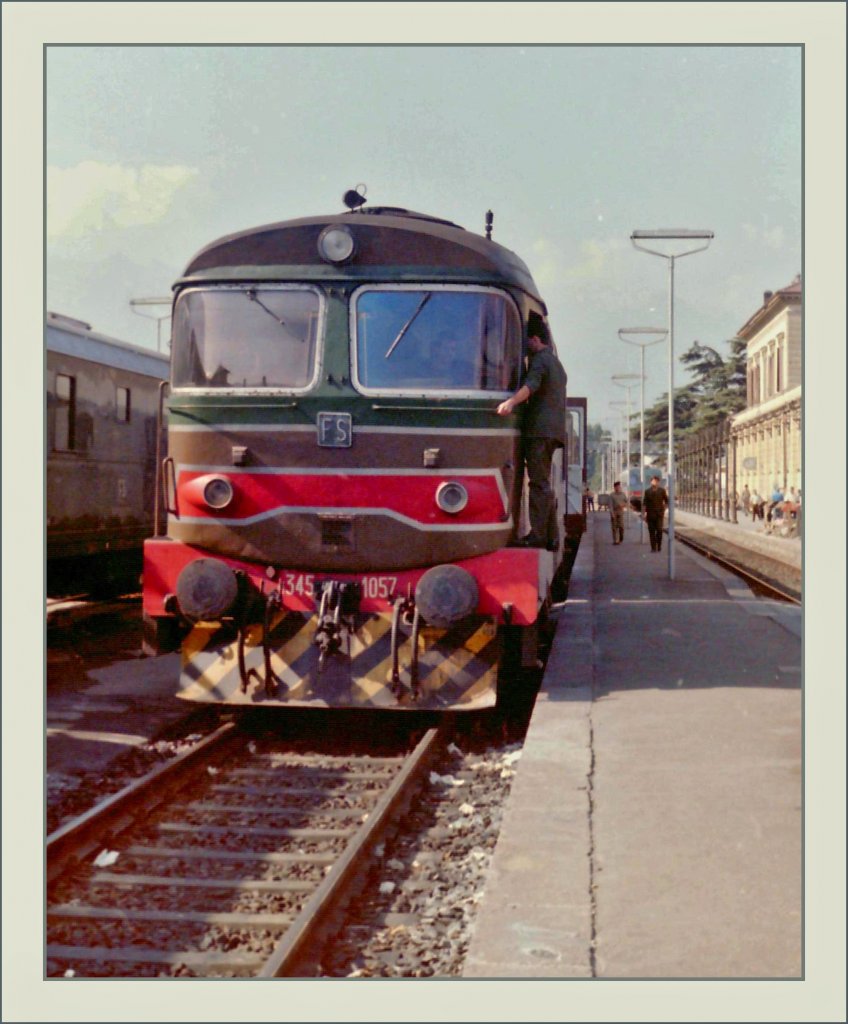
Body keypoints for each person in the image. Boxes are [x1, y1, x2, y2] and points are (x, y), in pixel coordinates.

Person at [496, 312, 567, 549]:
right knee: (543, 483)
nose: (526, 347)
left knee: (538, 484)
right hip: (552, 432)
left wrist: (511, 403)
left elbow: (531, 385)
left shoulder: (540, 361)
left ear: (535, 339)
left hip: (539, 431)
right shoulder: (557, 364)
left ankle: (537, 536)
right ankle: (552, 537)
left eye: (528, 342)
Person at [642, 475, 669, 552]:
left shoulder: (662, 491)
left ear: (658, 482)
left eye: (656, 481)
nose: (655, 482)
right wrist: (644, 513)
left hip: (659, 514)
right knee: (651, 532)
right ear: (651, 482)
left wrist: (664, 508)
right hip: (650, 514)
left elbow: (667, 501)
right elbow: (644, 503)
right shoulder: (647, 491)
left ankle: (659, 545)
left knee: (659, 530)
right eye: (654, 481)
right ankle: (653, 547)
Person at [609, 480, 628, 545]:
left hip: (620, 512)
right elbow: (610, 505)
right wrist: (612, 514)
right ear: (614, 487)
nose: (618, 488)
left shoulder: (623, 494)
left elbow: (627, 502)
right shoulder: (612, 495)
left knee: (621, 527)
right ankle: (615, 540)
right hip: (614, 511)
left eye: (619, 487)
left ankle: (621, 538)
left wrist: (623, 505)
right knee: (614, 527)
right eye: (616, 487)